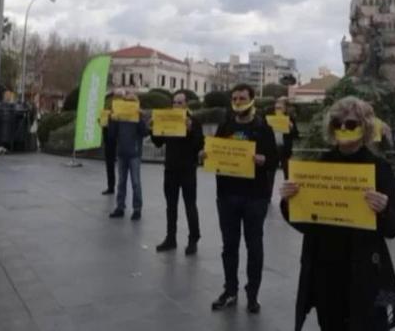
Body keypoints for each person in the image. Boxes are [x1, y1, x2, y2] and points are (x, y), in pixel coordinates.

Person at [279, 96, 395, 331]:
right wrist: (289, 202)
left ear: (365, 127)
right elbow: (304, 223)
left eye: (350, 124)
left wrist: (384, 209)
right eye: (337, 124)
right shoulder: (319, 166)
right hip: (325, 268)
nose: (343, 129)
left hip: (364, 270)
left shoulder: (380, 169)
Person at [202, 83, 278, 313]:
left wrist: (263, 160)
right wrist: (204, 154)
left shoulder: (263, 127)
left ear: (252, 99)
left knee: (254, 246)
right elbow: (214, 152)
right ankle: (230, 290)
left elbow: (274, 160)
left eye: (242, 97)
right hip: (227, 194)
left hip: (255, 197)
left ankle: (252, 294)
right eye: (234, 98)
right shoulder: (225, 125)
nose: (238, 101)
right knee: (229, 246)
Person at [151, 91, 204, 255]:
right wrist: (153, 129)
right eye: (174, 102)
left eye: (180, 102)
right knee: (171, 206)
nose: (176, 105)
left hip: (188, 169)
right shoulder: (168, 119)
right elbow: (158, 143)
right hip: (170, 169)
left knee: (190, 206)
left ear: (186, 104)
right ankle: (170, 238)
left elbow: (199, 145)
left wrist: (189, 130)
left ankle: (193, 239)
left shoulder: (194, 121)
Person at [108, 92, 149, 221]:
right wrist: (111, 119)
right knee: (121, 182)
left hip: (134, 154)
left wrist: (142, 119)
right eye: (127, 101)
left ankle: (137, 209)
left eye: (132, 102)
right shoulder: (119, 117)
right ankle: (120, 207)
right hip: (121, 152)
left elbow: (144, 133)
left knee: (136, 182)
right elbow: (112, 135)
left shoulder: (137, 117)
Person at [274, 96, 300, 179]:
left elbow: (296, 135)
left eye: (280, 108)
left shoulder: (290, 119)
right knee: (270, 173)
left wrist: (291, 127)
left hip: (285, 148)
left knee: (287, 172)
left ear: (285, 109)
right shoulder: (269, 117)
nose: (278, 110)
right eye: (276, 108)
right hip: (272, 148)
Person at [101, 93, 117, 195]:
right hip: (110, 143)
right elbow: (106, 130)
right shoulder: (107, 114)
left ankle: (116, 187)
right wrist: (103, 124)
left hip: (121, 143)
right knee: (110, 165)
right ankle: (111, 186)